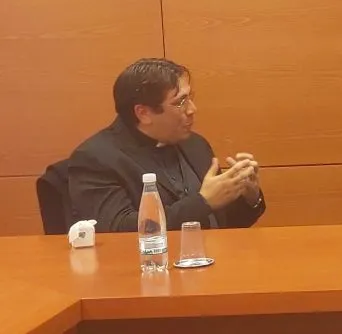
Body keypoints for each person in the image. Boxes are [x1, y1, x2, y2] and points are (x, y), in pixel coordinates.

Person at [69, 58, 266, 232]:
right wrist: (202, 202)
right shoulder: (96, 159)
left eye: (189, 98)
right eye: (180, 102)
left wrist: (249, 196)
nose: (192, 109)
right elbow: (119, 229)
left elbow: (223, 226)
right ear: (144, 113)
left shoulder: (195, 145)